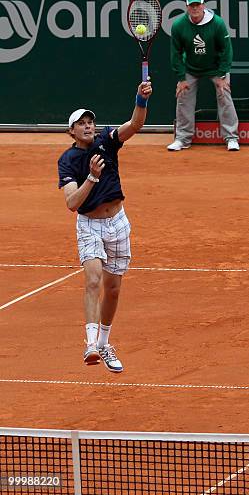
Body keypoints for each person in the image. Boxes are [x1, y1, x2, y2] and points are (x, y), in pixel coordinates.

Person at [57, 80, 153, 373]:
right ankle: (90, 344)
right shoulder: (68, 160)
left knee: (112, 289)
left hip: (118, 223)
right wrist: (92, 177)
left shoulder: (107, 141)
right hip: (90, 225)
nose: (87, 126)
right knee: (94, 280)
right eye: (81, 124)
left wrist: (141, 98)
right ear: (71, 131)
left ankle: (104, 342)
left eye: (90, 122)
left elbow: (135, 124)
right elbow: (72, 203)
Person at [167, 0, 240, 152]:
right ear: (186, 7)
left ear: (203, 6)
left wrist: (222, 75)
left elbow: (227, 50)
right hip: (191, 68)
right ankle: (182, 139)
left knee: (224, 93)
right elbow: (176, 53)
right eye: (191, 5)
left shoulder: (218, 23)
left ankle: (231, 138)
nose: (195, 8)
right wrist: (181, 78)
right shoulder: (179, 26)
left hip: (215, 68)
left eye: (197, 5)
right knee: (183, 95)